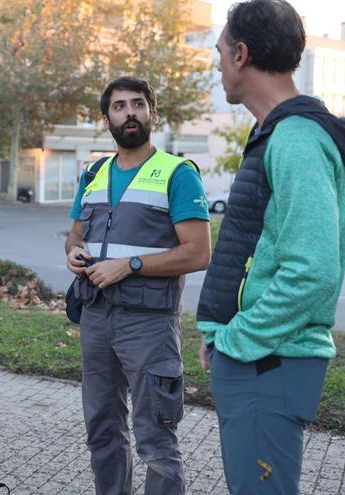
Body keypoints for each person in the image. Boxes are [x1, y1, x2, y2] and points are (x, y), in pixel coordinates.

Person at [197, 1, 345, 492]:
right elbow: (257, 250)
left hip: (267, 361)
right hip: (261, 358)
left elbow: (313, 269)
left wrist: (237, 341)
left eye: (219, 52)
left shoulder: (297, 141)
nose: (217, 63)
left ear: (240, 54)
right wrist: (219, 327)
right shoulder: (278, 132)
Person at [64, 77, 211, 495]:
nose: (129, 113)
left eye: (138, 105)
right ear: (106, 118)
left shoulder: (177, 174)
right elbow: (75, 234)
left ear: (152, 113)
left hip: (148, 325)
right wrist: (73, 253)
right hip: (96, 317)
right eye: (118, 106)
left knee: (156, 440)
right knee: (102, 430)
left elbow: (198, 253)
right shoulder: (93, 172)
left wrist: (128, 265)